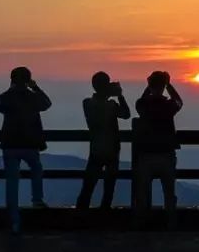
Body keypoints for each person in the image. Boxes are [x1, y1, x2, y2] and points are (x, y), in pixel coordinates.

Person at [0, 66, 52, 234]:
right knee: (36, 169)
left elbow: (0, 108)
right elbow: (47, 103)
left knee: (12, 182)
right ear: (28, 80)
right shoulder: (33, 97)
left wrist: (11, 88)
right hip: (30, 143)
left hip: (10, 144)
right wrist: (35, 87)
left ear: (12, 79)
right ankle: (37, 199)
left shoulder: (6, 97)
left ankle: (14, 220)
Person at [133, 71, 183, 229]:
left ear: (149, 85)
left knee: (142, 193)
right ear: (163, 87)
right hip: (166, 154)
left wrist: (149, 87)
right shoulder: (168, 106)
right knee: (169, 192)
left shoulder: (143, 105)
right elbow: (179, 102)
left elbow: (140, 102)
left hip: (146, 154)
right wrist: (169, 85)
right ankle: (171, 223)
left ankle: (142, 223)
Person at [76, 72, 130, 212]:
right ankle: (104, 216)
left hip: (96, 149)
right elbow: (126, 114)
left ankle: (80, 217)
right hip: (112, 149)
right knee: (109, 188)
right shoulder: (111, 105)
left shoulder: (87, 103)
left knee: (88, 187)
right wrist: (119, 95)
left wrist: (107, 93)